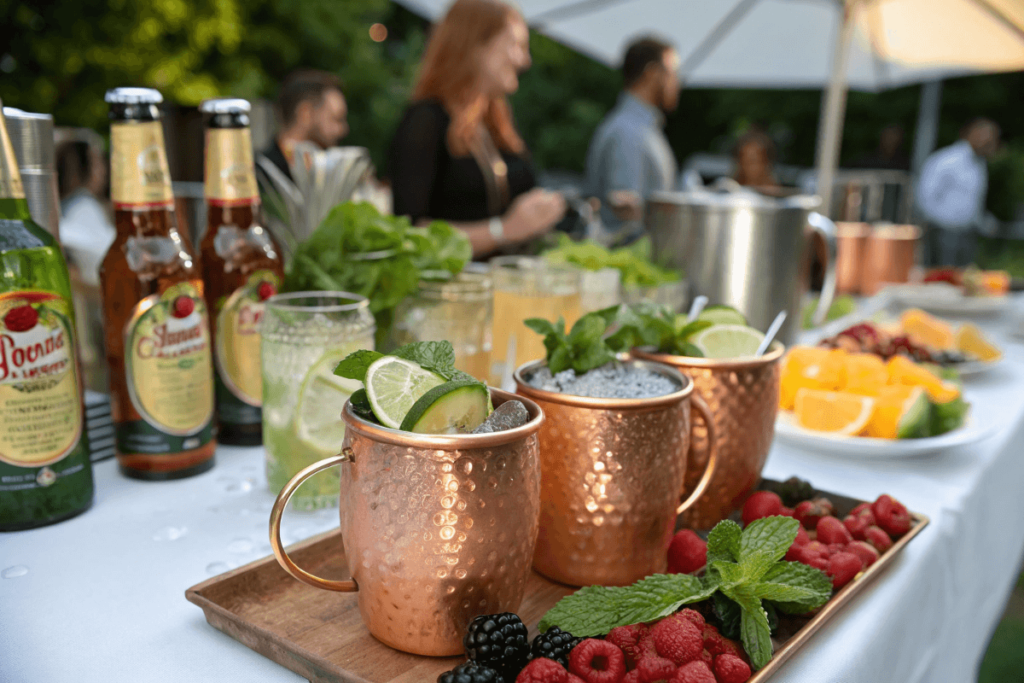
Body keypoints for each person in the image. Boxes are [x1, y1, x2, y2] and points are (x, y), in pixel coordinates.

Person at [389, 0, 564, 259]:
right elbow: (410, 233)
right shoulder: (426, 119)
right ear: (475, 46)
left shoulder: (496, 123)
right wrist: (504, 230)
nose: (525, 60)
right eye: (515, 45)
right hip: (452, 294)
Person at [585, 36, 680, 242]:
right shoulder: (628, 134)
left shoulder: (641, 129)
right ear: (652, 73)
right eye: (672, 73)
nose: (677, 82)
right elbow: (627, 226)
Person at [916, 118, 1000, 267]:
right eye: (988, 138)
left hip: (967, 234)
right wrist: (947, 224)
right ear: (973, 134)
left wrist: (982, 221)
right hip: (942, 233)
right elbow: (925, 198)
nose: (991, 144)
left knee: (963, 280)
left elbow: (971, 201)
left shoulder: (979, 163)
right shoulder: (947, 160)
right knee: (941, 280)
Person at [261, 70, 349, 180]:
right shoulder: (259, 177)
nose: (342, 130)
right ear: (305, 113)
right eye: (335, 119)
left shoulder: (330, 175)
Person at [55, 139, 115, 287]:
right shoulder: (82, 204)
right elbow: (101, 248)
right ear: (82, 167)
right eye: (97, 163)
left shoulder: (69, 203)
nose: (104, 171)